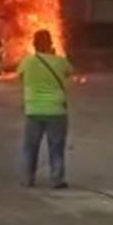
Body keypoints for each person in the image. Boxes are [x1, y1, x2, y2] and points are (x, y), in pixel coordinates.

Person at [18, 29, 75, 188]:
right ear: (50, 44)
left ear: (34, 45)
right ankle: (57, 179)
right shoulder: (59, 61)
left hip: (33, 110)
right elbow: (70, 72)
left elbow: (21, 76)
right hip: (56, 111)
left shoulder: (27, 62)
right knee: (56, 146)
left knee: (30, 147)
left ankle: (27, 179)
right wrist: (54, 55)